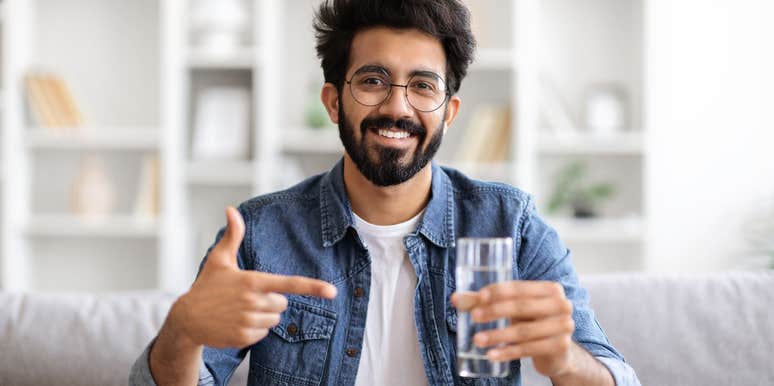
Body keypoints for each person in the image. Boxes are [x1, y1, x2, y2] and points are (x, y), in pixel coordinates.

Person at [131, 0, 640, 385]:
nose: (397, 107)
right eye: (373, 80)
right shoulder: (260, 235)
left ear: (449, 112)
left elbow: (618, 374)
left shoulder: (511, 225)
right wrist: (183, 330)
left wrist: (566, 360)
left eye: (422, 86)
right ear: (333, 102)